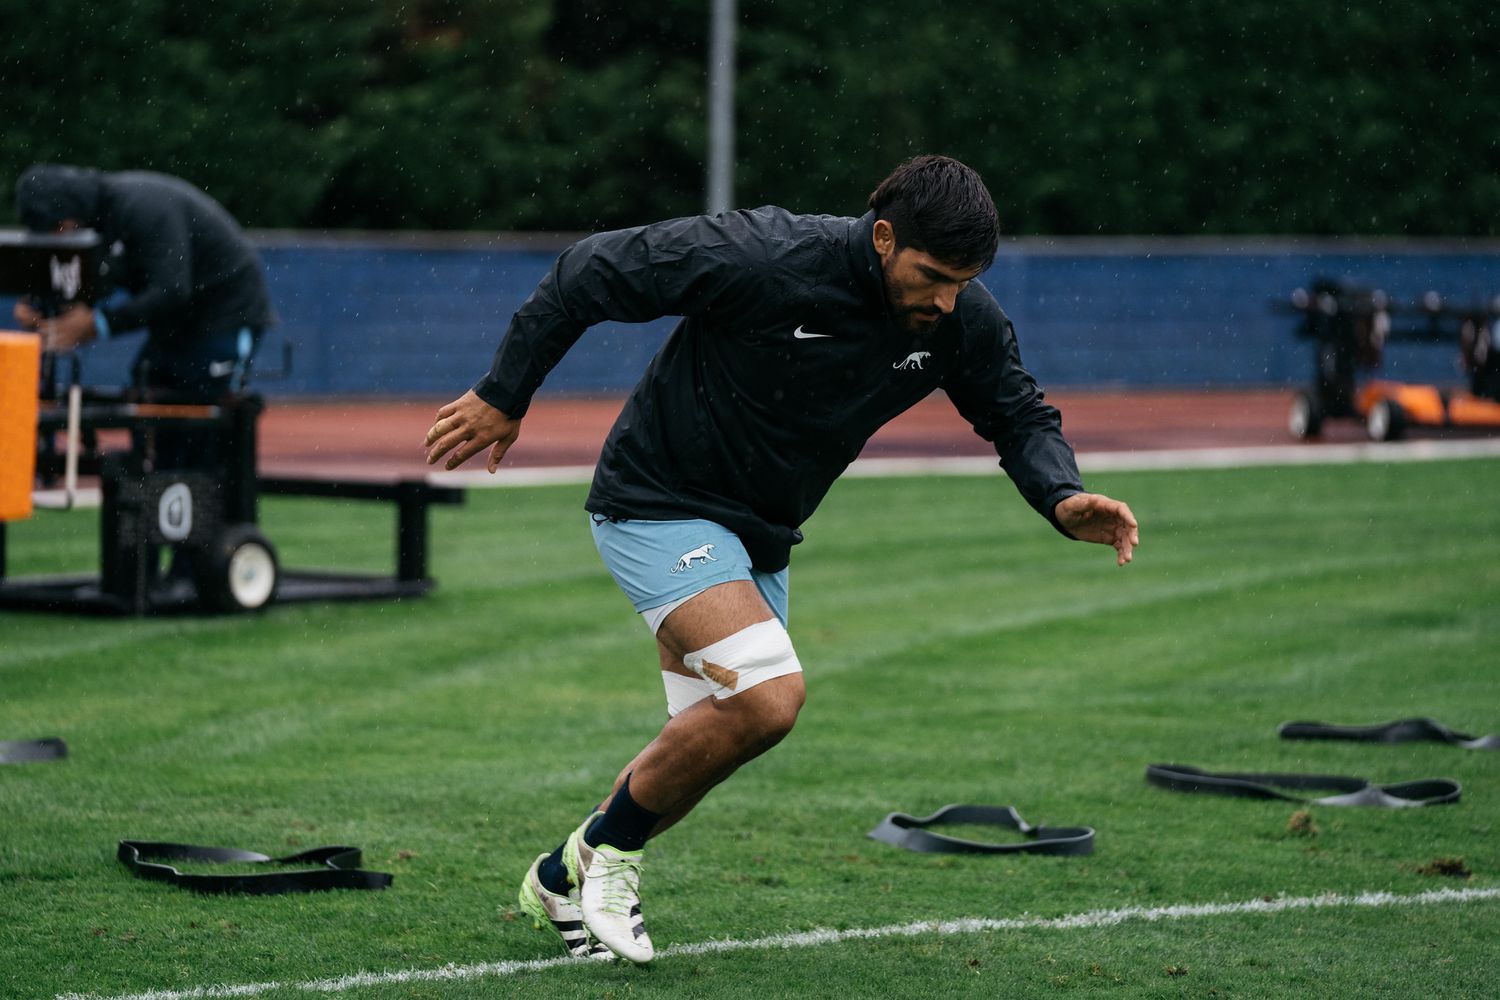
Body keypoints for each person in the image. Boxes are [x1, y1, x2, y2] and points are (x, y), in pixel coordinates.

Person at [423, 155, 1139, 964]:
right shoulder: (764, 257)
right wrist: (503, 393)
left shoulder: (959, 320)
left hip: (762, 532)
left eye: (963, 281)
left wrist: (1060, 494)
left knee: (707, 742)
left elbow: (1017, 413)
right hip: (655, 500)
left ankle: (561, 875)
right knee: (769, 698)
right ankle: (613, 864)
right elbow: (590, 271)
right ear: (881, 238)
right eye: (933, 275)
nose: (946, 299)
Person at [12, 165, 274, 408]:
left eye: (58, 227)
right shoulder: (93, 219)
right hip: (175, 324)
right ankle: (161, 459)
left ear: (70, 212)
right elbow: (94, 284)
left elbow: (171, 289)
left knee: (205, 409)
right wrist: (43, 307)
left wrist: (96, 324)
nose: (59, 236)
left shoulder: (143, 207)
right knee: (150, 395)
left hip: (227, 314)